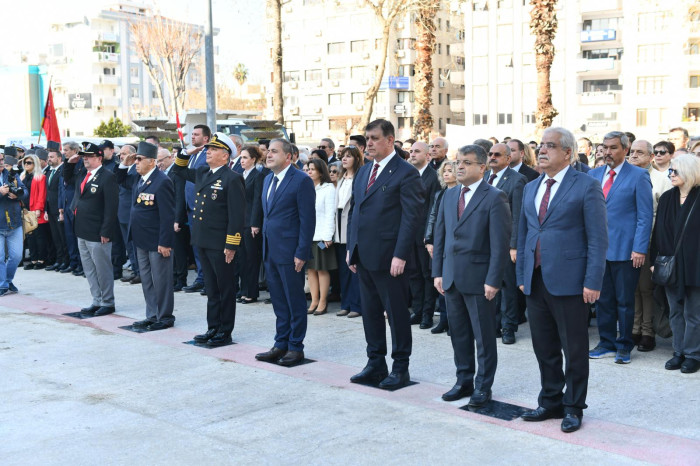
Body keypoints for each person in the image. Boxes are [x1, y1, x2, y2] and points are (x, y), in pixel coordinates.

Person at [517, 127, 608, 433]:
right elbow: (524, 234)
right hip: (535, 279)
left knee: (575, 348)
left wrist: (593, 281)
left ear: (567, 153)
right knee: (544, 347)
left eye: (550, 146)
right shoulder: (531, 187)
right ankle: (550, 400)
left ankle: (573, 406)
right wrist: (521, 275)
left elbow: (598, 239)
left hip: (571, 281)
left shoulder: (586, 186)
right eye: (540, 145)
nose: (542, 150)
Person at [346, 119, 425, 390]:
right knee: (370, 313)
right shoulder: (364, 171)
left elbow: (411, 218)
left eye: (374, 138)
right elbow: (355, 211)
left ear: (390, 140)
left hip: (391, 258)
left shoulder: (405, 172)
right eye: (367, 138)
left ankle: (400, 367)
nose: (368, 143)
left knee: (396, 314)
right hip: (364, 256)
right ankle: (375, 363)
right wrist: (350, 247)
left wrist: (400, 254)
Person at [432, 144, 511, 406]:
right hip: (452, 277)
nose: (460, 166)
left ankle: (482, 386)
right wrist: (438, 273)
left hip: (479, 280)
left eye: (466, 162)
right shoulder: (449, 195)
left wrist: (493, 279)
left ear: (482, 167)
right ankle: (463, 380)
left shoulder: (494, 197)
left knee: (483, 337)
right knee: (459, 334)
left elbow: (499, 243)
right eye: (457, 162)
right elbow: (441, 237)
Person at [173, 132, 246, 346]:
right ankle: (212, 327)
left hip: (221, 243)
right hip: (203, 240)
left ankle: (225, 331)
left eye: (213, 150)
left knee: (225, 288)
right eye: (208, 149)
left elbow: (236, 215)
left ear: (225, 156)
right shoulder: (204, 172)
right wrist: (188, 152)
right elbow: (177, 170)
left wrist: (231, 245)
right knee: (211, 288)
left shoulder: (232, 178)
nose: (208, 152)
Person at [588, 131, 653, 365]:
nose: (607, 152)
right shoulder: (593, 175)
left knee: (625, 301)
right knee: (603, 300)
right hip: (598, 251)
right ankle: (606, 342)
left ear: (625, 150)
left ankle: (624, 345)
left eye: (613, 147)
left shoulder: (639, 176)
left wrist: (640, 248)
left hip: (627, 250)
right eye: (604, 147)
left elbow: (645, 216)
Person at [255, 138, 315, 366]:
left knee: (294, 300)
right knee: (279, 301)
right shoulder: (268, 179)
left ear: (289, 157)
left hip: (291, 252)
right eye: (268, 151)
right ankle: (280, 343)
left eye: (274, 151)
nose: (268, 155)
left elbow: (307, 220)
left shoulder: (301, 181)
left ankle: (295, 347)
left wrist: (301, 252)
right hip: (270, 250)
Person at [119, 142, 176, 330]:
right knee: (146, 279)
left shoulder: (162, 181)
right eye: (135, 159)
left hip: (157, 241)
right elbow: (120, 179)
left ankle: (165, 316)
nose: (136, 163)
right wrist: (124, 163)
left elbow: (168, 216)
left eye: (139, 159)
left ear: (152, 162)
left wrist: (165, 242)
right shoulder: (139, 178)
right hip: (140, 239)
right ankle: (152, 314)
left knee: (161, 280)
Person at [651, 154, 700, 374]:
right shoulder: (668, 197)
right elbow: (658, 231)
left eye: (675, 171)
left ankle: (692, 354)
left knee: (693, 313)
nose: (670, 174)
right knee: (675, 311)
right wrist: (654, 260)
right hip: (669, 264)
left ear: (689, 172)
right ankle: (678, 351)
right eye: (670, 170)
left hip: (695, 265)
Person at [64, 142, 119, 317]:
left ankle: (108, 302)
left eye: (89, 156)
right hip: (82, 229)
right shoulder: (82, 174)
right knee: (89, 268)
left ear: (99, 158)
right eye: (84, 157)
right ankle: (96, 300)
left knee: (102, 269)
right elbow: (67, 179)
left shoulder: (107, 176)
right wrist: (70, 163)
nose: (85, 159)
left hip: (97, 231)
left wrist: (106, 231)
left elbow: (111, 207)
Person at [629, 140, 673, 351]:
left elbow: (662, 216)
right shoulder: (625, 176)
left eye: (640, 152)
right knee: (633, 289)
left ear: (650, 157)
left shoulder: (662, 179)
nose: (634, 155)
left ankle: (647, 332)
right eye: (632, 151)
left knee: (646, 289)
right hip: (626, 241)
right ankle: (635, 328)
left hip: (647, 241)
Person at [483, 143, 527, 344]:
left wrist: (514, 245)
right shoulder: (483, 177)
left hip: (506, 243)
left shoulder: (517, 181)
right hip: (485, 242)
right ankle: (493, 324)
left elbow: (518, 215)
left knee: (507, 287)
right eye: (490, 154)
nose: (492, 157)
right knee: (490, 285)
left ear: (508, 159)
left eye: (497, 155)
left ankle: (509, 327)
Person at [408, 141, 441, 329]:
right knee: (413, 274)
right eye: (411, 151)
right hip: (408, 233)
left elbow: (433, 209)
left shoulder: (434, 177)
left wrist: (429, 236)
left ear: (428, 156)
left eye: (417, 151)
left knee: (427, 275)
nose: (412, 154)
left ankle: (427, 315)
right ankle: (418, 311)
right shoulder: (408, 175)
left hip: (424, 235)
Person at [424, 160, 458, 334]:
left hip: (453, 244)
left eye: (450, 170)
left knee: (453, 283)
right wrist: (429, 240)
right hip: (439, 242)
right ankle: (444, 320)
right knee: (439, 281)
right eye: (444, 171)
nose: (446, 174)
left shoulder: (461, 193)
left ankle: (454, 322)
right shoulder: (440, 194)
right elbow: (433, 216)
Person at [334, 146, 363, 318]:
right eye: (343, 156)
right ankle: (345, 303)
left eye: (349, 157)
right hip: (339, 225)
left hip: (351, 225)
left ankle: (356, 305)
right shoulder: (341, 178)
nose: (344, 159)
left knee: (353, 268)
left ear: (356, 159)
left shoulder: (359, 177)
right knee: (343, 270)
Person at [182, 124, 211, 295]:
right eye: (192, 134)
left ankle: (207, 280)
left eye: (196, 134)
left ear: (205, 138)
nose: (192, 137)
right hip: (190, 208)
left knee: (203, 247)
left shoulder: (207, 155)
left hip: (202, 208)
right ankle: (201, 278)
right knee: (196, 247)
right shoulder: (193, 155)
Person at [305, 158, 337, 316]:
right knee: (310, 269)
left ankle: (323, 301)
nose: (309, 171)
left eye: (312, 169)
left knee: (322, 269)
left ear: (320, 171)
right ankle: (314, 300)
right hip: (308, 235)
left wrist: (327, 236)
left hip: (322, 236)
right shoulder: (307, 187)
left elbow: (331, 213)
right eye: (308, 169)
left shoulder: (328, 188)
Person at [158, 147, 188, 292]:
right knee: (170, 250)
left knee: (179, 251)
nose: (159, 164)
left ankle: (181, 279)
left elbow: (180, 198)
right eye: (157, 161)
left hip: (176, 218)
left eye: (161, 160)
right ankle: (173, 277)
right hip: (165, 217)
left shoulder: (177, 173)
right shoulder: (162, 173)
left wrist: (178, 219)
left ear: (170, 158)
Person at [238, 145, 265, 304]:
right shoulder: (241, 174)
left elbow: (257, 201)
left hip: (250, 224)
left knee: (251, 258)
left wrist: (255, 223)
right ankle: (243, 290)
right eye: (241, 157)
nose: (242, 160)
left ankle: (251, 292)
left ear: (253, 159)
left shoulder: (258, 176)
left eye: (245, 157)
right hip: (239, 223)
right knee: (241, 258)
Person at [0, 148, 28, 296]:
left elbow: (24, 191)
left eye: (2, 159)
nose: (1, 163)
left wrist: (15, 195)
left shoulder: (12, 174)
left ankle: (8, 280)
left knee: (17, 256)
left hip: (14, 223)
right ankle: (3, 284)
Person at [115, 144, 141, 284]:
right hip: (123, 213)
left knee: (135, 245)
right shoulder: (122, 170)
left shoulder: (136, 171)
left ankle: (141, 272)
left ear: (132, 155)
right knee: (129, 246)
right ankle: (135, 271)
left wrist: (125, 164)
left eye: (124, 154)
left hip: (132, 213)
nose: (121, 156)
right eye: (120, 154)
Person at [20, 154, 49, 269]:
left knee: (39, 236)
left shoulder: (40, 177)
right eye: (25, 162)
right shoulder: (22, 176)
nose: (26, 164)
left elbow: (42, 194)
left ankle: (41, 260)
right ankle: (33, 260)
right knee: (30, 236)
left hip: (36, 210)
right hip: (25, 210)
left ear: (35, 163)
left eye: (29, 162)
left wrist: (38, 209)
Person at [44, 143, 69, 272]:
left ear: (59, 158)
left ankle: (66, 261)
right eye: (48, 157)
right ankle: (59, 260)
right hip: (51, 208)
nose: (49, 159)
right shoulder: (49, 172)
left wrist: (61, 209)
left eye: (52, 157)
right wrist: (46, 209)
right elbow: (47, 192)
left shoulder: (63, 170)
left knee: (63, 236)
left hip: (60, 209)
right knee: (56, 237)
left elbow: (61, 191)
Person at [61, 141, 83, 276]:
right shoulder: (66, 163)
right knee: (69, 237)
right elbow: (62, 184)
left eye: (66, 150)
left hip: (77, 204)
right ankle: (73, 262)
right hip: (67, 204)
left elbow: (74, 181)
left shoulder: (81, 163)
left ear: (75, 151)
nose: (64, 152)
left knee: (77, 236)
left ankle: (81, 264)